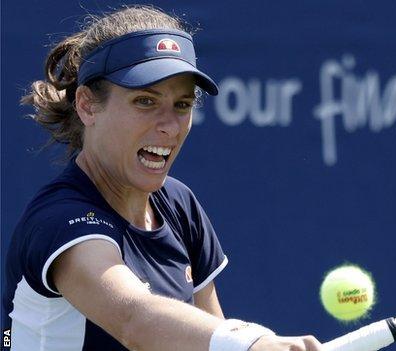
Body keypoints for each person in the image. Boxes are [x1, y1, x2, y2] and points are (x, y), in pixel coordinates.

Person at [1, 6, 322, 351]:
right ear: (88, 105)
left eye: (182, 105)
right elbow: (134, 319)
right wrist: (251, 342)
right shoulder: (61, 221)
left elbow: (209, 342)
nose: (170, 126)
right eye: (145, 101)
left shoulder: (179, 205)